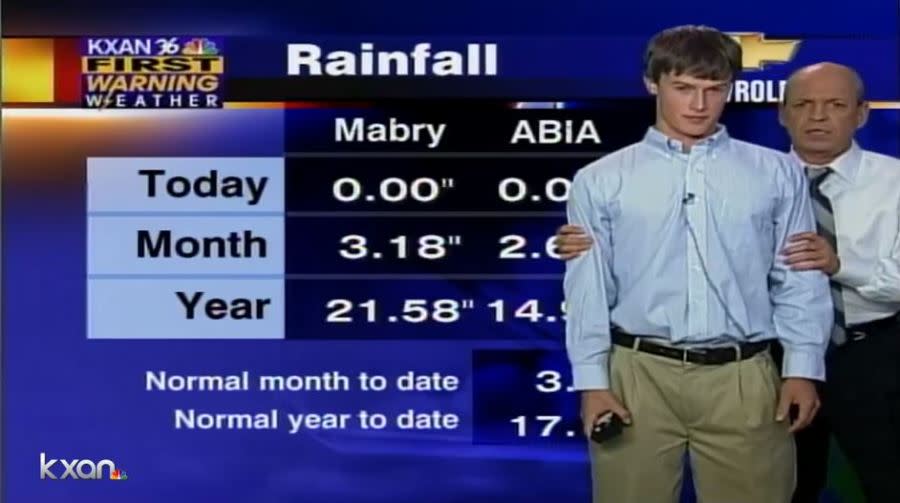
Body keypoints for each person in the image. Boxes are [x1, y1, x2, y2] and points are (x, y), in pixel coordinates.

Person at [557, 61, 900, 503]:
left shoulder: (881, 182)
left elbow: (808, 281)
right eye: (804, 105)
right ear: (782, 112)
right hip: (736, 359)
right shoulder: (748, 176)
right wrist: (594, 243)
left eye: (834, 105)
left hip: (867, 354)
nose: (818, 116)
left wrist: (837, 267)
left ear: (862, 112)